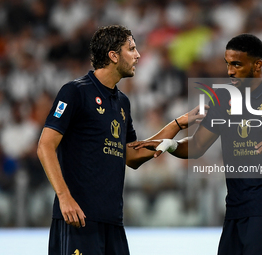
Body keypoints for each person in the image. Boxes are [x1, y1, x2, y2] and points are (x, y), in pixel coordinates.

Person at [130, 34, 262, 255]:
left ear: (257, 64)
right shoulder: (222, 100)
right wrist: (171, 145)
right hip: (235, 209)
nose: (230, 71)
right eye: (227, 64)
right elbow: (197, 146)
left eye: (237, 64)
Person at [37, 25, 204, 255]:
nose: (138, 55)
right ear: (113, 56)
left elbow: (133, 155)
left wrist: (176, 125)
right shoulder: (75, 92)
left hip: (113, 223)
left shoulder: (122, 102)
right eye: (132, 49)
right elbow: (45, 145)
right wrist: (64, 197)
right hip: (78, 219)